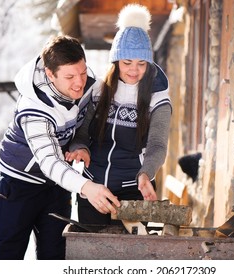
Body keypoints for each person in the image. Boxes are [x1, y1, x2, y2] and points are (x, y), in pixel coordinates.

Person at [0, 35, 120, 260]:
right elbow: (49, 161)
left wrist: (81, 145)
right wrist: (87, 187)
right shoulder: (33, 108)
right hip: (20, 183)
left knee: (56, 254)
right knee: (8, 255)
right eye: (69, 76)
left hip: (56, 182)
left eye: (82, 72)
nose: (79, 82)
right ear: (50, 74)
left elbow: (90, 123)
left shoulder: (89, 84)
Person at [66, 4, 172, 226]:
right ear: (115, 61)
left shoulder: (157, 98)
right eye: (127, 63)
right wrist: (80, 148)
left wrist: (146, 173)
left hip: (132, 191)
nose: (134, 70)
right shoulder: (97, 90)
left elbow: (157, 146)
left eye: (141, 63)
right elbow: (82, 132)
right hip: (93, 190)